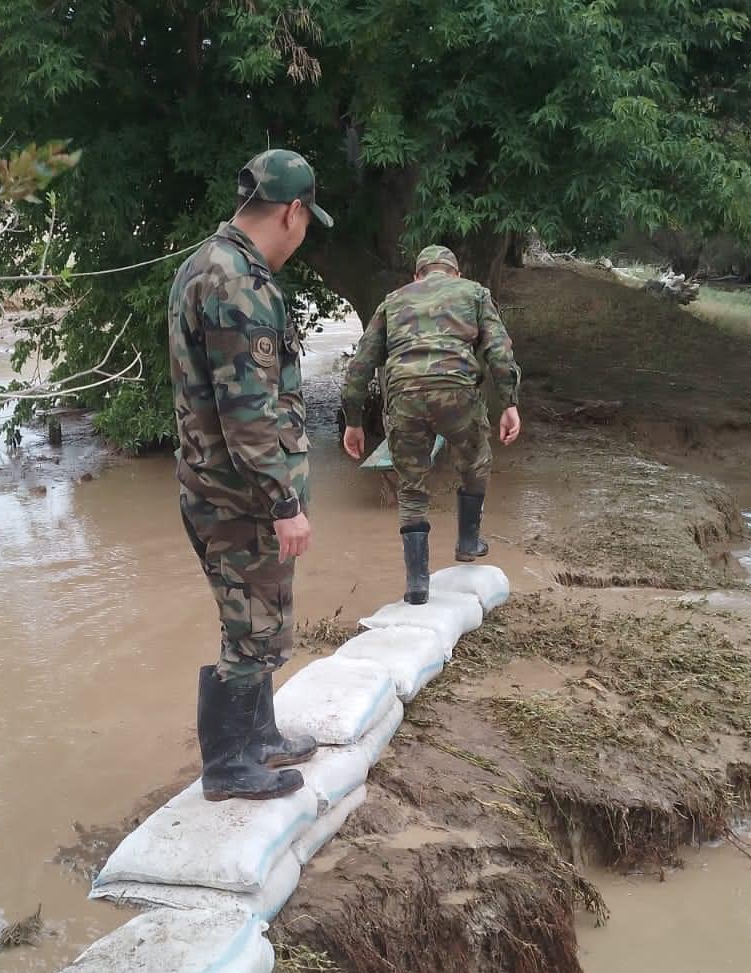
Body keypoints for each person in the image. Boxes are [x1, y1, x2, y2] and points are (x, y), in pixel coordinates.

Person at [168, 149, 334, 801]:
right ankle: (228, 765)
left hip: (213, 484)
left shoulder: (202, 264)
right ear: (292, 212)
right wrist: (282, 501)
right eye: (306, 221)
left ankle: (258, 735)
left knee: (256, 619)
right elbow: (248, 409)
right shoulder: (240, 281)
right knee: (252, 627)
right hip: (240, 496)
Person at [340, 245, 522, 605]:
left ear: (417, 276)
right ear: (454, 273)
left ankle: (417, 584)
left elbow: (361, 364)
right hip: (457, 394)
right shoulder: (474, 292)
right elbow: (499, 352)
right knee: (475, 461)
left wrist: (354, 420)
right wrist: (509, 403)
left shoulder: (393, 301)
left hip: (405, 396)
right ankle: (468, 541)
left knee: (411, 489)